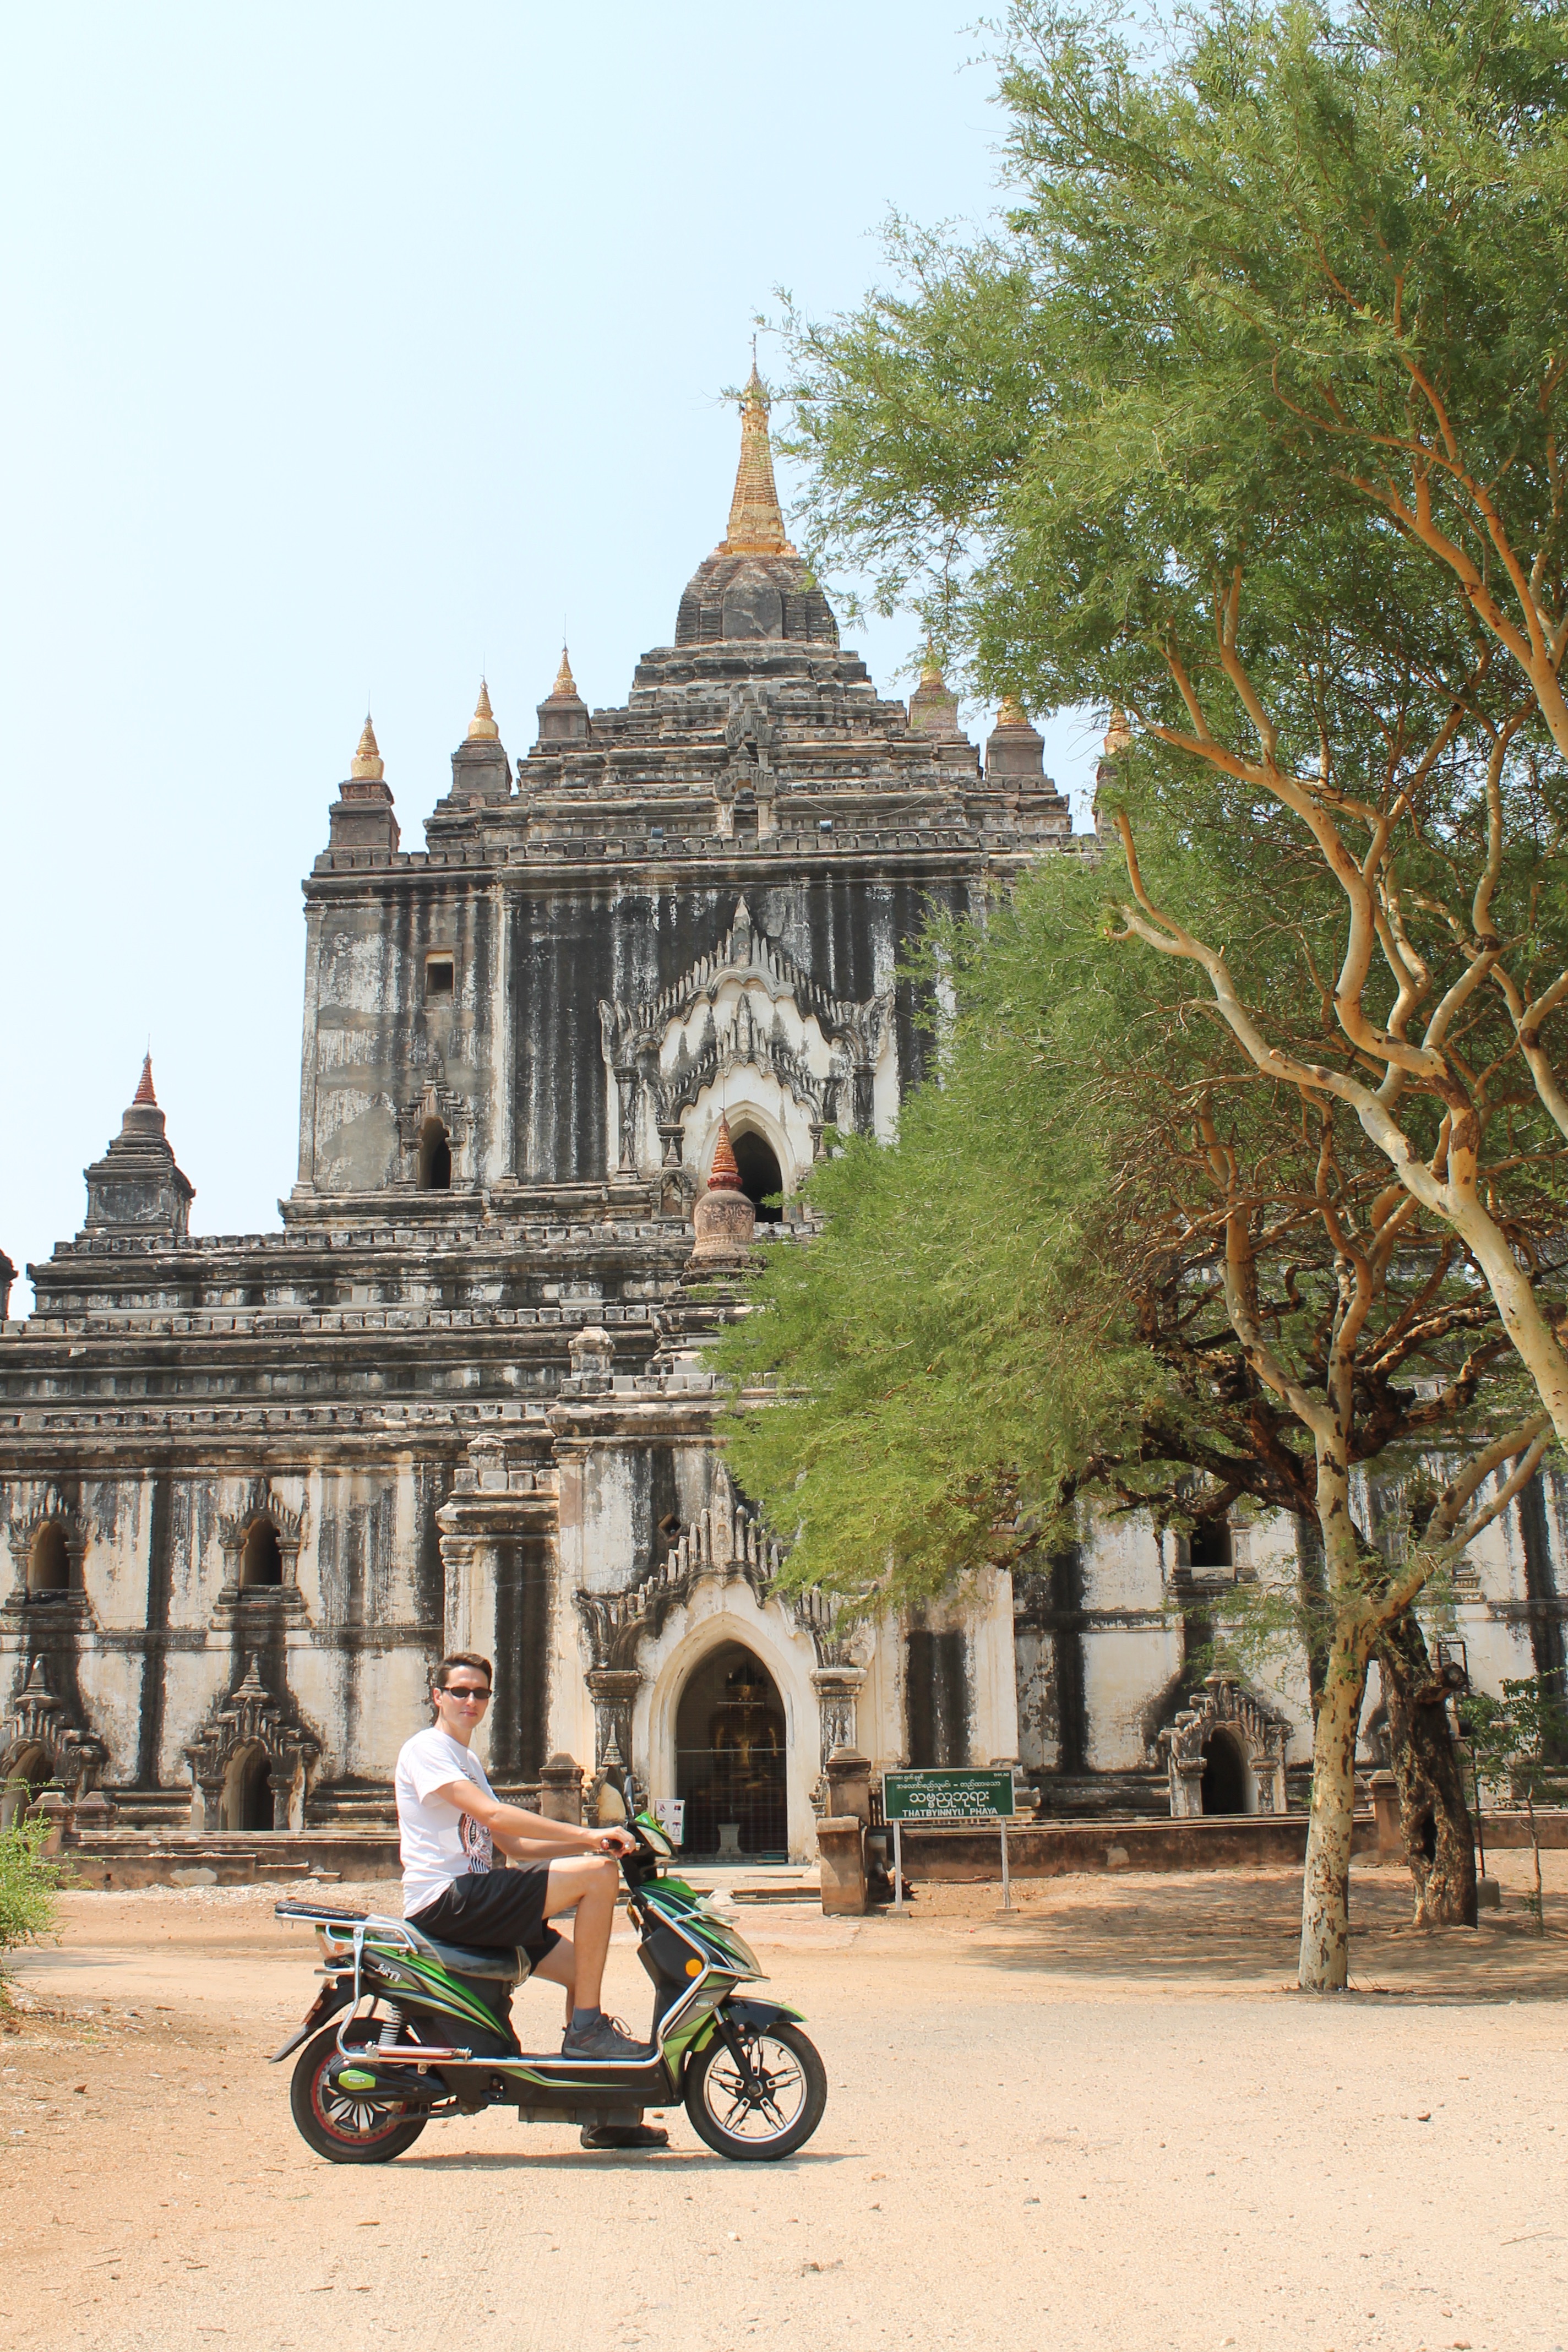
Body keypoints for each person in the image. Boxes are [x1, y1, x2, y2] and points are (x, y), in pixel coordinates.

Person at [395, 1649, 667, 2150]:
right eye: (459, 1691)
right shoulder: (426, 1749)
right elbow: (495, 1818)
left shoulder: (467, 1761)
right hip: (447, 1898)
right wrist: (587, 1837)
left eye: (480, 1693)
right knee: (599, 1877)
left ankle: (603, 2115)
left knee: (580, 1971)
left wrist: (593, 1842)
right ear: (438, 1696)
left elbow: (515, 1847)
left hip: (478, 1897)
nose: (470, 1701)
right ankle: (586, 2031)